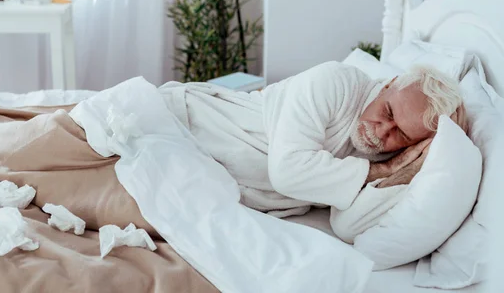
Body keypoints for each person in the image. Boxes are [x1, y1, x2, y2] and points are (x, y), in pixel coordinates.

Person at [160, 61, 467, 218]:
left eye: (400, 133)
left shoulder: (387, 155)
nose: (381, 131)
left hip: (197, 180)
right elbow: (288, 172)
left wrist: (407, 171)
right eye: (387, 111)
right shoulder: (337, 82)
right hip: (185, 125)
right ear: (388, 84)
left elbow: (347, 227)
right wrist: (384, 172)